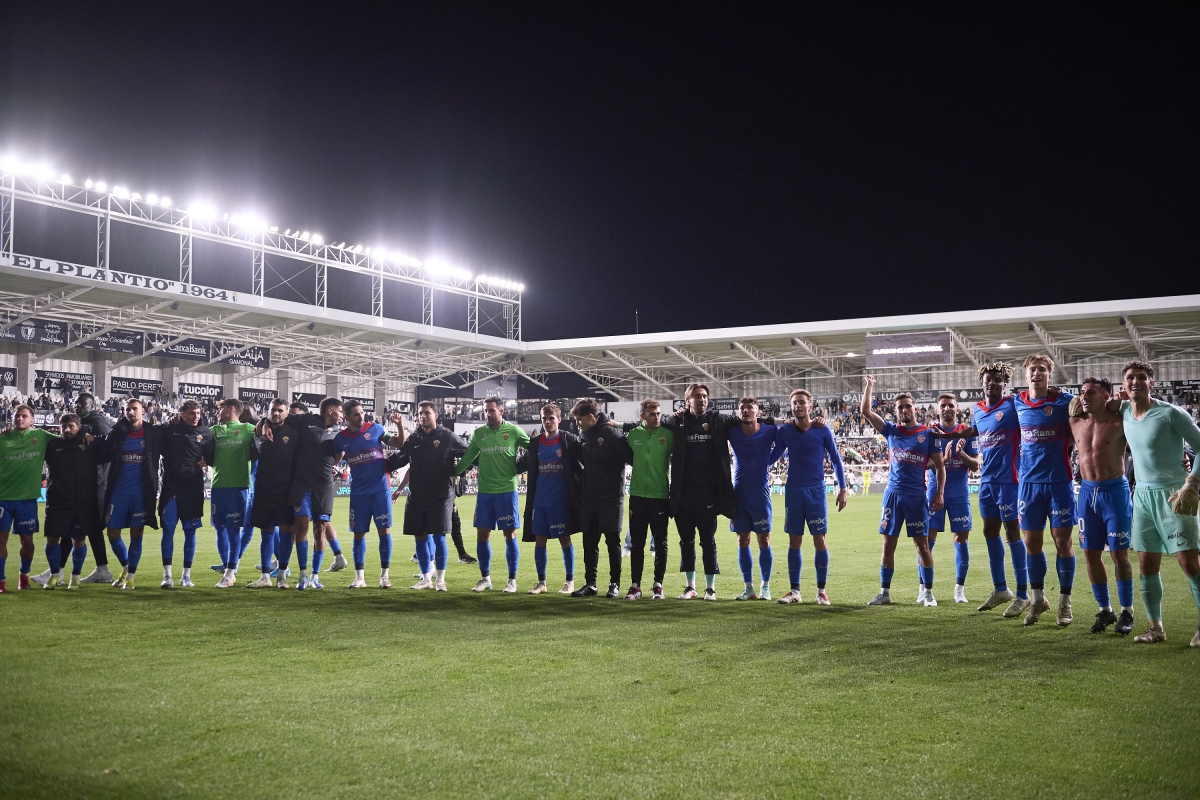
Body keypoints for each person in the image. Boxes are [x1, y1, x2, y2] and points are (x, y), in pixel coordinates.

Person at [1118, 360, 1200, 646]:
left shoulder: (1171, 413)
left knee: (1189, 564)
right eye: (1130, 378)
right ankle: (1156, 628)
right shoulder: (1124, 411)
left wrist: (1191, 483)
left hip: (1174, 494)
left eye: (1141, 377)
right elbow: (1094, 401)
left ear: (1152, 383)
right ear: (1124, 384)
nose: (1135, 382)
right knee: (1146, 565)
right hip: (1141, 496)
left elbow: (1199, 448)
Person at [860, 378, 946, 606]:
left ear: (914, 408)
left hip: (916, 496)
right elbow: (865, 411)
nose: (904, 410)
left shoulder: (929, 434)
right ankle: (885, 593)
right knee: (888, 545)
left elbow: (939, 466)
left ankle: (928, 593)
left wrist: (939, 494)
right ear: (895, 412)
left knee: (923, 546)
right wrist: (870, 385)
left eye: (908, 406)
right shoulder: (890, 431)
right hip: (892, 495)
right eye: (900, 407)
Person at [653, 384, 742, 600]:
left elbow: (747, 419)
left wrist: (787, 421)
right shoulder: (677, 420)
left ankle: (710, 588)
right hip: (683, 493)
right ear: (687, 401)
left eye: (704, 396)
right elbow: (653, 421)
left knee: (708, 541)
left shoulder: (717, 420)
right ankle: (690, 586)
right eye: (697, 396)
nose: (701, 399)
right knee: (686, 541)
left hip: (708, 494)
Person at [1067, 377, 1136, 635]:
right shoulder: (1074, 421)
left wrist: (1125, 402)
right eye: (1082, 392)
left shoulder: (1120, 420)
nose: (1085, 396)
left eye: (1092, 392)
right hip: (1086, 493)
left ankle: (1127, 611)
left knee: (1120, 555)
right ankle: (1106, 610)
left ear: (1106, 396)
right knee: (1090, 554)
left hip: (1115, 492)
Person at [1013, 354, 1077, 626]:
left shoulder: (1066, 402)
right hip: (1028, 485)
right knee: (1031, 543)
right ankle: (1038, 599)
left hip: (1059, 482)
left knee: (1063, 542)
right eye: (1032, 370)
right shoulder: (1016, 402)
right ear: (1025, 375)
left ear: (1050, 374)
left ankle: (1065, 602)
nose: (1036, 374)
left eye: (1041, 369)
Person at [769, 389, 845, 605]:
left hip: (816, 490)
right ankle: (795, 591)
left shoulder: (822, 430)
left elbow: (837, 461)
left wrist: (842, 488)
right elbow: (772, 457)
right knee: (794, 540)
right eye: (794, 403)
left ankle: (821, 591)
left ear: (810, 406)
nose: (798, 406)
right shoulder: (785, 431)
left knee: (819, 539)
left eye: (802, 402)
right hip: (793, 490)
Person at [263, 399, 348, 590]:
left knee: (320, 529)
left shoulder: (339, 433)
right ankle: (301, 574)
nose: (342, 415)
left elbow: (336, 458)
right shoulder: (306, 420)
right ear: (330, 410)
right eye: (340, 411)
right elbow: (279, 418)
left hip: (324, 485)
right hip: (301, 484)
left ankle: (315, 576)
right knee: (300, 526)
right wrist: (264, 423)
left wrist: (338, 457)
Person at [454, 397, 530, 592]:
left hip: (507, 491)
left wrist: (523, 466)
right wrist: (452, 473)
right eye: (486, 411)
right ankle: (485, 578)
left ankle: (512, 580)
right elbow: (468, 456)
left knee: (509, 534)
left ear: (501, 411)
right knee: (482, 534)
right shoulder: (479, 434)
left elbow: (534, 448)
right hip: (485, 493)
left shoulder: (514, 431)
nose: (487, 414)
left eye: (491, 411)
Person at [395, 401, 467, 592]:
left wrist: (459, 471)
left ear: (436, 415)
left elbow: (468, 453)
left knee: (439, 536)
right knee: (419, 536)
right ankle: (426, 578)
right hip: (417, 494)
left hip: (441, 495)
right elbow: (400, 459)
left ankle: (441, 580)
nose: (422, 416)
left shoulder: (448, 436)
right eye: (420, 413)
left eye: (427, 413)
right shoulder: (414, 438)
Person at [333, 401, 403, 588]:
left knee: (384, 532)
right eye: (356, 414)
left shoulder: (376, 429)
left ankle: (384, 576)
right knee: (358, 534)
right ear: (347, 418)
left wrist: (399, 425)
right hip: (359, 493)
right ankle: (359, 578)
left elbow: (399, 443)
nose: (361, 416)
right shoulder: (341, 438)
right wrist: (332, 465)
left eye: (362, 413)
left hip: (380, 490)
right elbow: (335, 458)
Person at [516, 403, 581, 595]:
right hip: (539, 501)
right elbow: (520, 465)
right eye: (544, 418)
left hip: (561, 500)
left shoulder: (568, 440)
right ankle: (541, 583)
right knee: (539, 540)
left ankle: (570, 581)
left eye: (551, 418)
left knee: (564, 539)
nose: (547, 422)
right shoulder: (535, 443)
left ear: (559, 420)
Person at [569, 398, 630, 598]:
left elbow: (632, 459)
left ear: (591, 417)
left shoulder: (613, 434)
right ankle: (591, 583)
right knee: (589, 541)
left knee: (613, 542)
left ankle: (614, 584)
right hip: (589, 498)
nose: (577, 423)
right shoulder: (583, 434)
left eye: (580, 419)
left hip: (611, 498)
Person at [924, 393, 980, 604]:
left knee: (961, 540)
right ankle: (924, 589)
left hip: (959, 494)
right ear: (937, 410)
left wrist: (962, 455)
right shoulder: (931, 433)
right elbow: (923, 464)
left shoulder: (967, 432)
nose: (947, 409)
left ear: (957, 409)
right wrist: (943, 460)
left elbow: (976, 466)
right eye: (943, 406)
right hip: (934, 493)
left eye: (950, 405)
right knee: (927, 542)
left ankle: (959, 590)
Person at [0, 405, 61, 591]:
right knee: (1, 538)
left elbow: (66, 439)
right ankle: (1, 580)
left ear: (32, 420)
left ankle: (23, 575)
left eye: (24, 416)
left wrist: (86, 435)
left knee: (27, 541)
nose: (20, 419)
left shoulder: (41, 436)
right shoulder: (3, 437)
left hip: (27, 500)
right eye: (17, 416)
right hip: (3, 498)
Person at [102, 398, 161, 590]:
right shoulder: (117, 432)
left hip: (141, 492)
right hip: (118, 490)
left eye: (134, 409)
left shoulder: (152, 432)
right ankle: (127, 568)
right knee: (112, 532)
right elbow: (101, 451)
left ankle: (131, 577)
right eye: (127, 409)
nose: (131, 412)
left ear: (143, 411)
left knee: (137, 533)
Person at [42, 413, 105, 589]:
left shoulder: (90, 444)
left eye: (70, 426)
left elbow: (109, 441)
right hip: (57, 501)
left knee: (78, 540)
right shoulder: (52, 445)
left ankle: (75, 577)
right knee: (52, 538)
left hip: (83, 502)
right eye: (64, 427)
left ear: (78, 426)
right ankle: (55, 575)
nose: (67, 430)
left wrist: (90, 435)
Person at [158, 399, 215, 588]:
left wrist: (206, 461)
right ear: (182, 414)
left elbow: (213, 457)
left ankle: (186, 576)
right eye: (192, 413)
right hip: (171, 488)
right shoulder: (169, 429)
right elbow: (156, 440)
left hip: (192, 489)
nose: (196, 417)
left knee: (190, 532)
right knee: (168, 530)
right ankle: (167, 576)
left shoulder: (205, 433)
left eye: (198, 413)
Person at [727, 397, 778, 601]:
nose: (746, 410)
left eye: (750, 407)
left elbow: (785, 439)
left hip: (760, 493)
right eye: (742, 408)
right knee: (742, 540)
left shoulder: (769, 430)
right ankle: (748, 588)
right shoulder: (732, 432)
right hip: (739, 493)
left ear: (758, 411)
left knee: (764, 540)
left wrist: (768, 461)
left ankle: (765, 586)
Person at [623, 399, 673, 600]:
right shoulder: (633, 435)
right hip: (637, 496)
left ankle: (658, 585)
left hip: (660, 496)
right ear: (642, 416)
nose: (657, 416)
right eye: (652, 414)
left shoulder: (668, 435)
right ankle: (635, 586)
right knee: (637, 543)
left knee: (661, 543)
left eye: (659, 413)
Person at [250, 399, 301, 589]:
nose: (276, 413)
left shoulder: (294, 432)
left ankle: (282, 575)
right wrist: (263, 423)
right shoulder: (260, 430)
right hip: (264, 487)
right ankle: (265, 576)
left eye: (280, 410)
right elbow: (254, 451)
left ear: (287, 413)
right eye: (273, 410)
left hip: (285, 489)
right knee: (266, 532)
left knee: (286, 531)